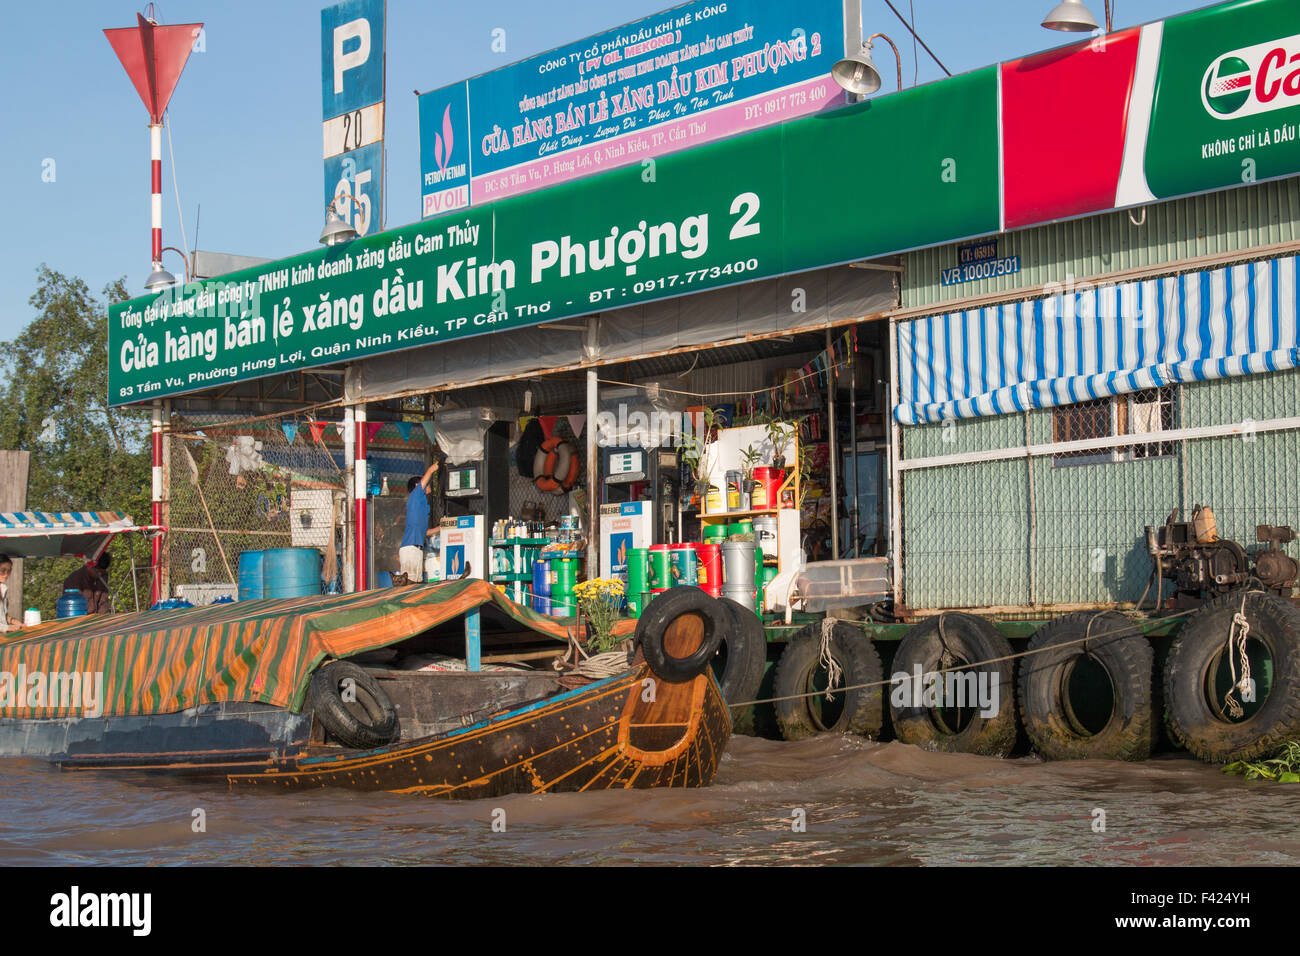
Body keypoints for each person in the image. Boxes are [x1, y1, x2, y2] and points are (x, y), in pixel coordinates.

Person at [399, 461, 439, 583]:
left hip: (416, 549)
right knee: (410, 584)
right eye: (425, 483)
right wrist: (438, 464)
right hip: (410, 548)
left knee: (416, 583)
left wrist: (442, 526)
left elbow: (426, 532)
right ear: (417, 485)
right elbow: (430, 471)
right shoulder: (416, 495)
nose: (428, 485)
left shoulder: (421, 504)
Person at [0, 556, 21, 631]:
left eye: (9, 571)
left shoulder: (3, 589)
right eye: (2, 570)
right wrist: (8, 628)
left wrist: (14, 621)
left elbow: (2, 617)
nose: (6, 574)